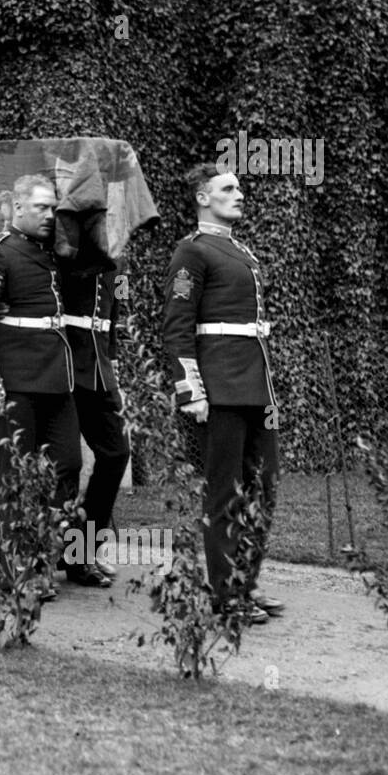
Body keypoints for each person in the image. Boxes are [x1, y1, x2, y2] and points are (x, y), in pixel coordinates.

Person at [0, 175, 108, 588]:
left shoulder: (51, 252)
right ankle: (19, 566)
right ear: (18, 208)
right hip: (16, 383)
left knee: (69, 464)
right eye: (41, 208)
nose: (49, 215)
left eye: (52, 208)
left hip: (57, 381)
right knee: (18, 474)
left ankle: (45, 550)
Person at [163, 164, 283, 623]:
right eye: (228, 188)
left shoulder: (240, 251)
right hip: (219, 389)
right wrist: (191, 389)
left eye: (239, 187)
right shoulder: (191, 253)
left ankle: (245, 583)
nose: (240, 194)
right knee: (224, 493)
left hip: (256, 385)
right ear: (201, 197)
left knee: (264, 485)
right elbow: (176, 325)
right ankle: (225, 594)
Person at [62, 258, 130, 579]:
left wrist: (114, 365)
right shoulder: (70, 248)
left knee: (117, 453)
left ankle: (83, 549)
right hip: (64, 365)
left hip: (101, 369)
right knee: (65, 463)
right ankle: (60, 553)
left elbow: (117, 313)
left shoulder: (122, 262)